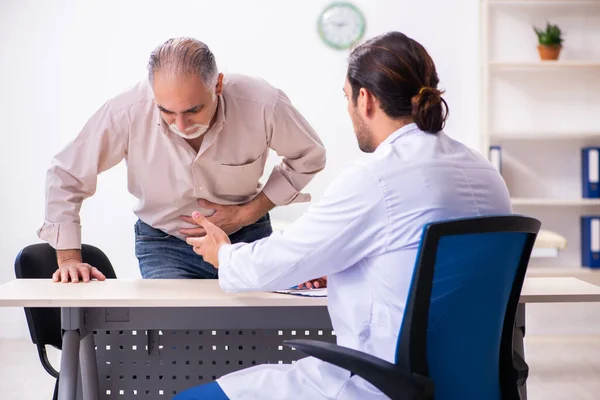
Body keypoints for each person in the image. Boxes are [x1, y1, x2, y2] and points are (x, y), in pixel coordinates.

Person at [176, 31, 513, 400]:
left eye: (346, 98)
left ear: (364, 98)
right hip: (468, 385)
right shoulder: (485, 173)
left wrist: (223, 253)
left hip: (380, 384)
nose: (349, 110)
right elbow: (419, 261)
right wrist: (342, 264)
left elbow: (280, 261)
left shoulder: (377, 178)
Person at [37, 37, 326, 283]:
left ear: (218, 85)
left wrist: (247, 213)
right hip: (165, 245)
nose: (181, 125)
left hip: (247, 236)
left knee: (255, 330)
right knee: (177, 335)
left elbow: (309, 156)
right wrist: (68, 259)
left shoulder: (263, 103)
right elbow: (66, 174)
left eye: (193, 111)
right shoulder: (126, 111)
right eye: (167, 112)